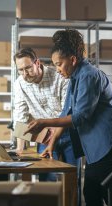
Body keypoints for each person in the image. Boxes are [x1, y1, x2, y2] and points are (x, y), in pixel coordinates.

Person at [24, 29, 112, 206]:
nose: (57, 70)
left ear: (72, 60)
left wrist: (43, 122)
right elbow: (66, 112)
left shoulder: (88, 75)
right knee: (91, 194)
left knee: (111, 198)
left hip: (111, 146)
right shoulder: (75, 77)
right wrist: (52, 143)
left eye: (59, 64)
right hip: (98, 148)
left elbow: (80, 117)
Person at [13, 47, 78, 182]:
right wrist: (20, 148)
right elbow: (21, 116)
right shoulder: (19, 84)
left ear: (37, 63)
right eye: (20, 70)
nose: (25, 74)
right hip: (45, 135)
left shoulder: (60, 76)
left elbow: (67, 112)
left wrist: (55, 136)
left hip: (68, 132)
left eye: (28, 68)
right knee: (47, 178)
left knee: (72, 179)